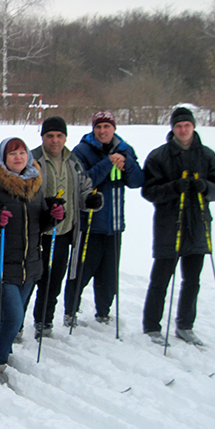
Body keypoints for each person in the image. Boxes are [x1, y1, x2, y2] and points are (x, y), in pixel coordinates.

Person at [0, 137, 62, 384]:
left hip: (28, 264)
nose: (18, 157)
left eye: (22, 153)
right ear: (2, 159)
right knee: (13, 316)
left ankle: (5, 346)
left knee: (13, 315)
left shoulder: (34, 184)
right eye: (12, 154)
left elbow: (39, 225)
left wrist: (53, 217)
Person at [141, 106, 215, 346]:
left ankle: (185, 325)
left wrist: (206, 188)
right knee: (161, 278)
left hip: (198, 225)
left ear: (193, 126)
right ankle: (151, 325)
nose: (182, 129)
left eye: (186, 125)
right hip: (170, 225)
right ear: (173, 128)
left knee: (192, 280)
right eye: (178, 126)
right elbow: (148, 191)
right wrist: (173, 188)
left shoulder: (207, 155)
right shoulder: (159, 156)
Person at [64, 111, 143, 326]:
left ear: (113, 128)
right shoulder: (82, 150)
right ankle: (70, 311)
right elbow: (82, 181)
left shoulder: (125, 149)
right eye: (98, 127)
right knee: (80, 271)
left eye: (106, 127)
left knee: (109, 275)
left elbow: (137, 181)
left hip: (114, 224)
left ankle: (103, 312)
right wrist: (108, 163)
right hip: (89, 223)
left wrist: (126, 164)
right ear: (93, 129)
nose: (102, 131)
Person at [28, 117, 101, 340]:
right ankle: (16, 323)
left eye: (59, 136)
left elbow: (84, 188)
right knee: (30, 280)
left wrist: (90, 200)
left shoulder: (74, 161)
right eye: (50, 136)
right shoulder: (33, 159)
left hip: (64, 232)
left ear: (65, 137)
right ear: (42, 137)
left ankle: (44, 321)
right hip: (37, 233)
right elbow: (23, 191)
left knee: (53, 280)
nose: (55, 140)